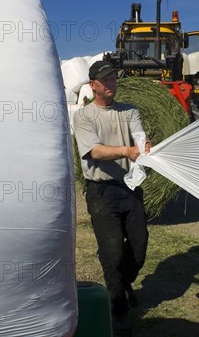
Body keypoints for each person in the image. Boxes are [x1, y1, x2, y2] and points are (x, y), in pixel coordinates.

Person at [73, 60, 152, 336]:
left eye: (114, 78)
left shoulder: (129, 110)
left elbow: (140, 137)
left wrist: (144, 146)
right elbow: (94, 152)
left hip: (129, 188)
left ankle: (123, 280)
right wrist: (128, 151)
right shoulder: (84, 117)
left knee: (140, 247)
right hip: (101, 192)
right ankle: (118, 309)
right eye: (105, 79)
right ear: (93, 85)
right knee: (113, 252)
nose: (112, 83)